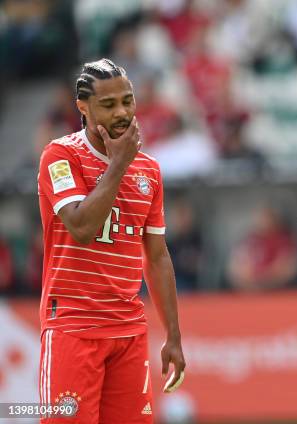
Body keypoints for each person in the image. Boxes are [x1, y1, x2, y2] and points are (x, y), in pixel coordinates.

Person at [37, 58, 185, 423]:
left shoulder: (149, 169)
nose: (122, 112)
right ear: (82, 108)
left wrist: (173, 336)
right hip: (73, 328)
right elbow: (82, 227)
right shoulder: (60, 156)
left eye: (128, 101)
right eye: (108, 104)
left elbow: (157, 257)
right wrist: (118, 164)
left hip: (128, 332)